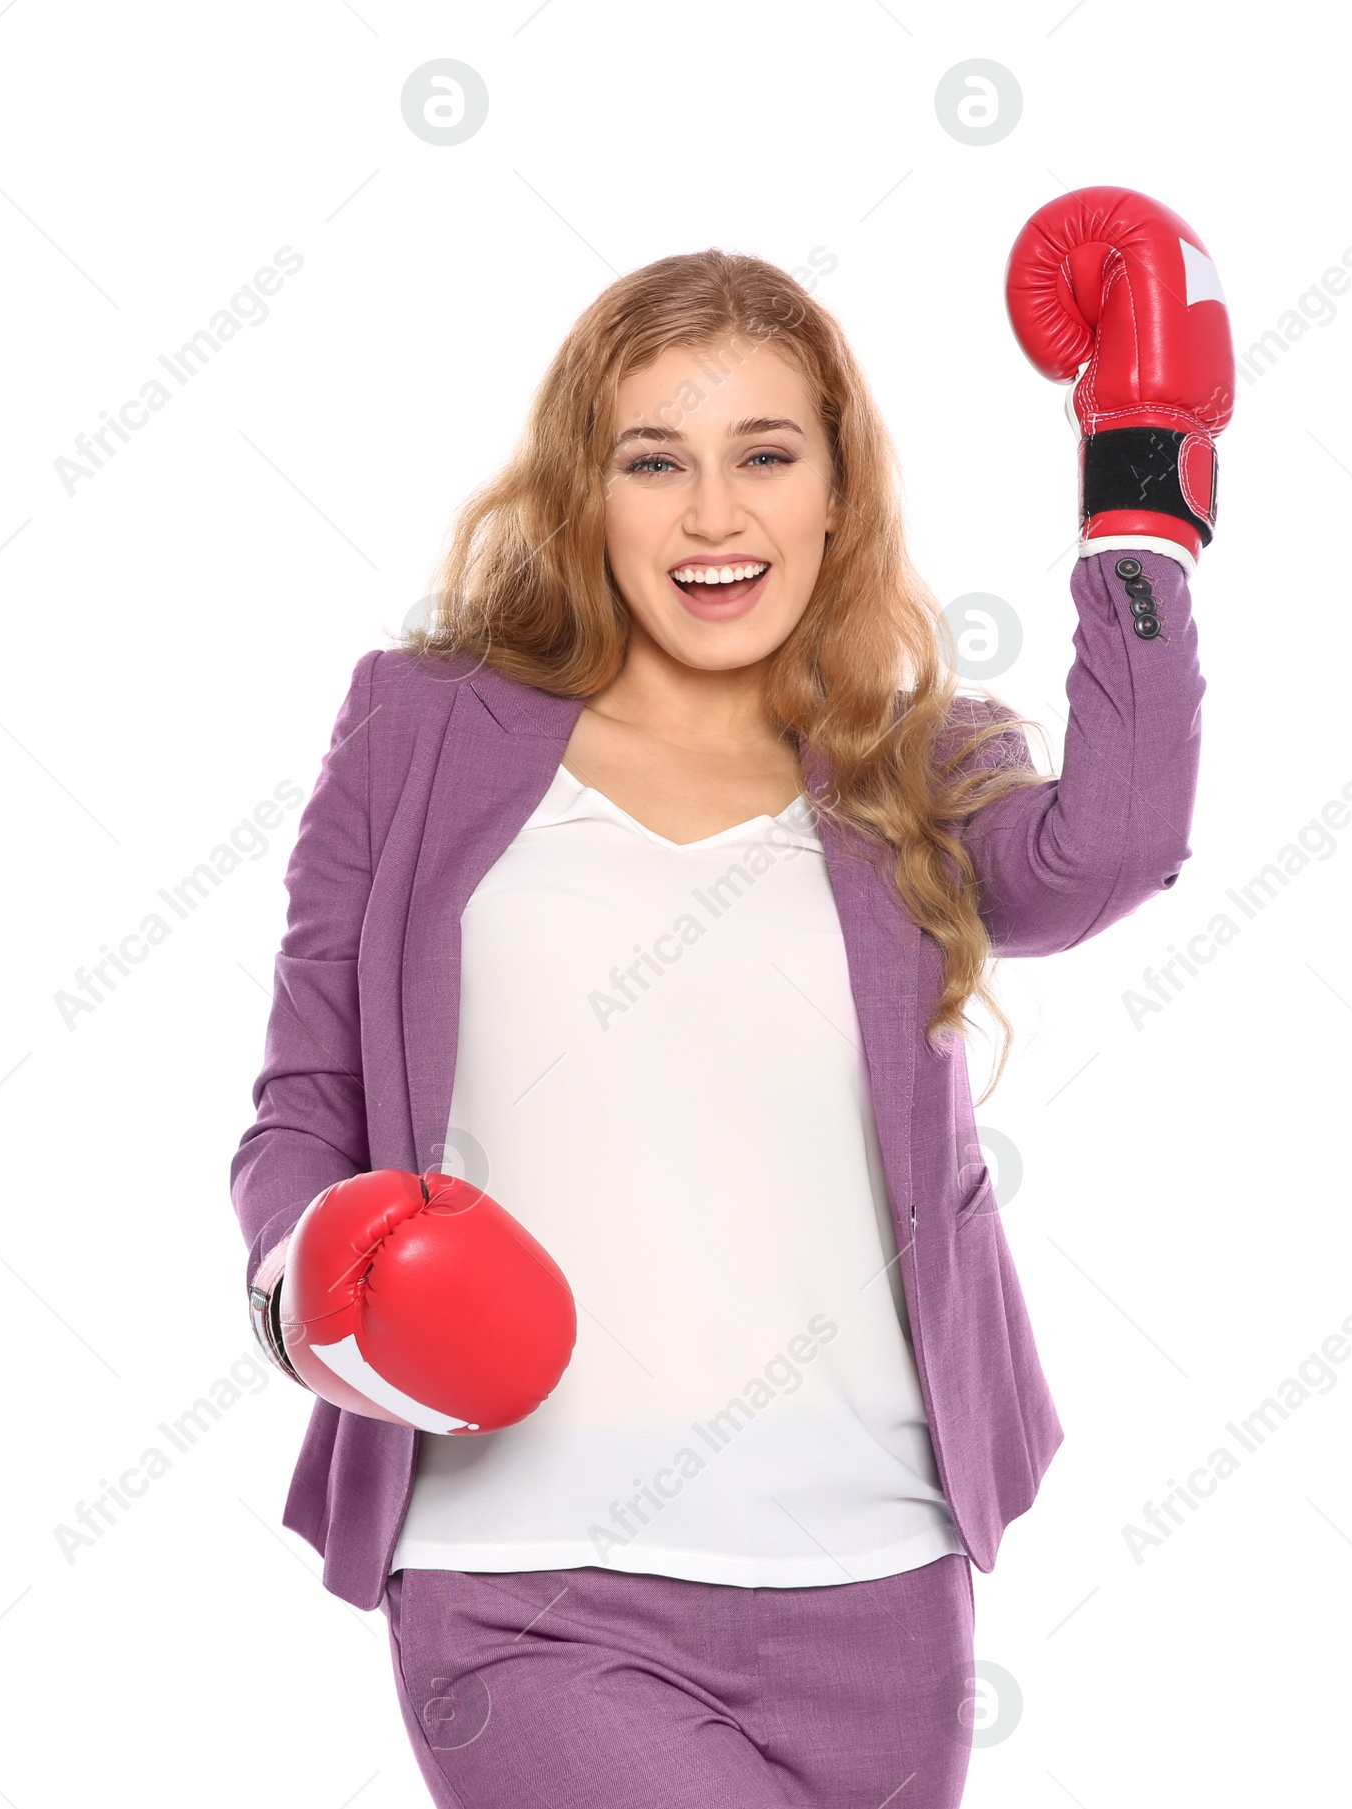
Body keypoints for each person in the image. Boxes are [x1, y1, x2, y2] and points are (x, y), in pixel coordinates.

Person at [232, 190, 1228, 1809]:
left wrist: (1141, 489)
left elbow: (1115, 850)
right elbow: (302, 1102)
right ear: (587, 491)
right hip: (528, 1580)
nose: (713, 511)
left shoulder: (919, 762)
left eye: (766, 453)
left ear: (838, 490)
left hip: (881, 1583)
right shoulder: (418, 730)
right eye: (653, 458)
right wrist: (309, 1288)